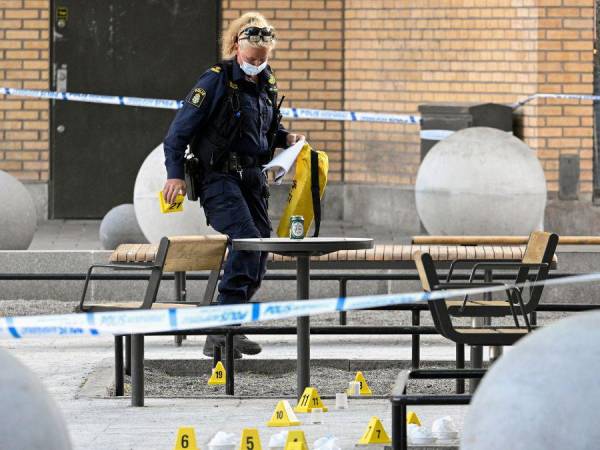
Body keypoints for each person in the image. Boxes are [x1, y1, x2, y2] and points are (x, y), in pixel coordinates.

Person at [162, 12, 304, 358]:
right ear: (236, 47)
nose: (256, 63)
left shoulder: (267, 84)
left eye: (263, 58)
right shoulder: (215, 81)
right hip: (218, 178)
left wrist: (287, 139)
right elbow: (177, 135)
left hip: (253, 179)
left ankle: (229, 324)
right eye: (251, 58)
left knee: (259, 250)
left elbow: (265, 132)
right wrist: (174, 174)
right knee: (245, 239)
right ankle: (222, 329)